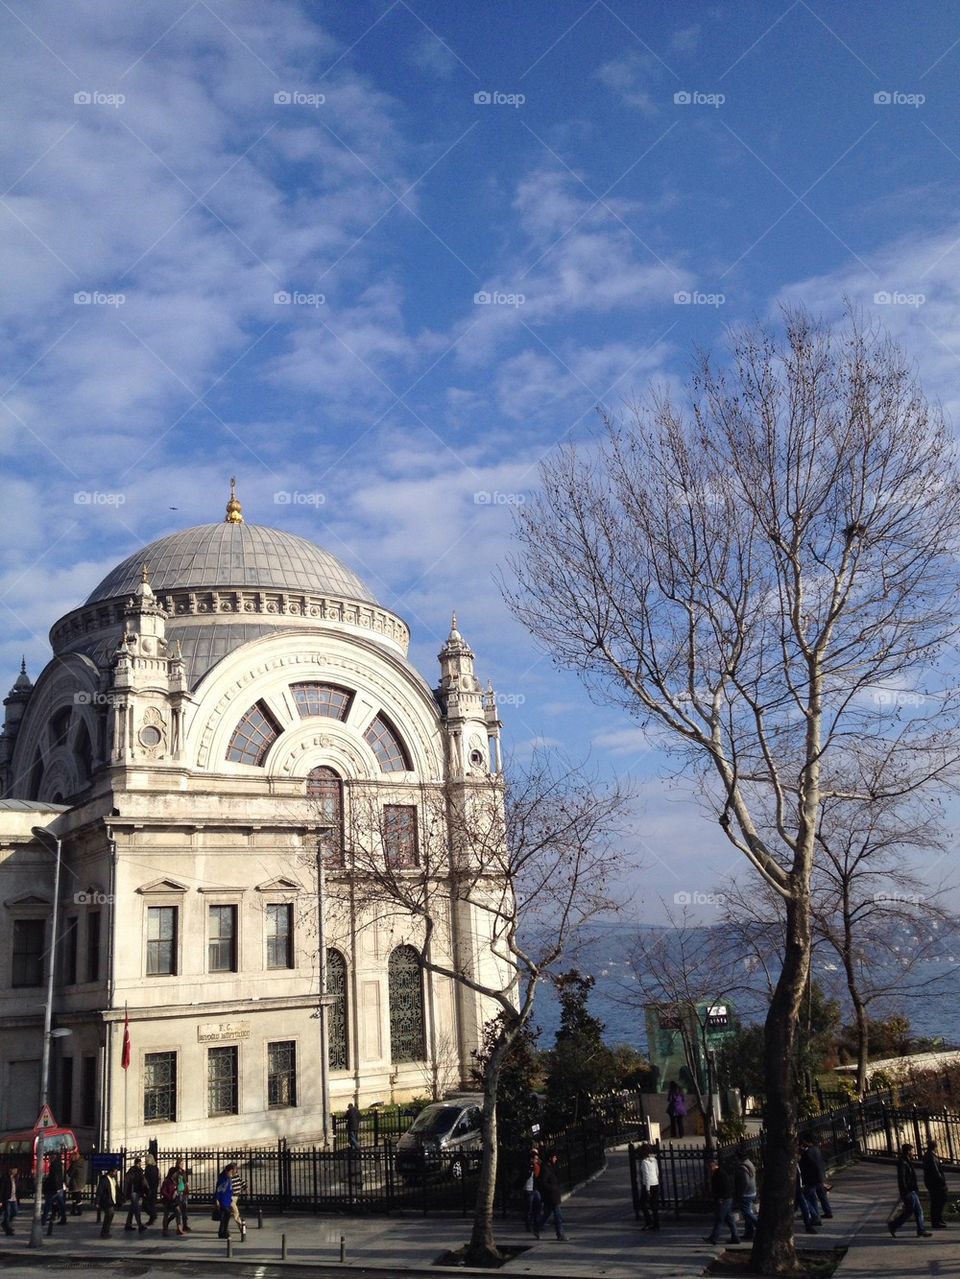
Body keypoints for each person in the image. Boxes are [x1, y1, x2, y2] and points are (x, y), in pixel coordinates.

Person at [889, 1142, 932, 1238]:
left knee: (918, 1211)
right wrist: (906, 1190)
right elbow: (902, 1178)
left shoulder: (906, 1161)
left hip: (911, 1190)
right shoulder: (903, 1163)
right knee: (910, 1211)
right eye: (912, 1151)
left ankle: (921, 1230)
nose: (913, 1153)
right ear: (908, 1151)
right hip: (908, 1191)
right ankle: (893, 1225)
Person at [705, 1156, 741, 1245]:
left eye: (708, 1168)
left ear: (712, 1166)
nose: (708, 1170)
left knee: (719, 1219)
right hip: (727, 1198)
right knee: (729, 1219)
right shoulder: (719, 1173)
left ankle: (714, 1238)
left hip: (724, 1199)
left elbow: (725, 1187)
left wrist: (721, 1197)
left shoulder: (719, 1174)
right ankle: (735, 1237)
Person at [799, 1132, 833, 1219]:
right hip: (820, 1176)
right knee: (822, 1195)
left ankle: (814, 1214)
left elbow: (804, 1166)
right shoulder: (816, 1149)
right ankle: (828, 1211)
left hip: (812, 1179)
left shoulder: (808, 1152)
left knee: (807, 1197)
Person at [537, 1150, 567, 1241]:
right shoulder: (546, 1168)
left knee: (547, 1213)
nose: (556, 1159)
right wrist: (553, 1188)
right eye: (554, 1157)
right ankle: (560, 1234)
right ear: (550, 1158)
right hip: (551, 1196)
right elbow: (543, 1182)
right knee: (558, 1216)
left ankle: (537, 1227)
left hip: (554, 1195)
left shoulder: (552, 1167)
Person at [733, 1146, 758, 1241]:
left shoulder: (742, 1167)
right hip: (752, 1191)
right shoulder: (749, 1163)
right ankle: (749, 1232)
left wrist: (740, 1193)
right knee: (748, 1212)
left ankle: (759, 1225)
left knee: (747, 1213)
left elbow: (745, 1182)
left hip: (746, 1193)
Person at [923, 1138, 948, 1229]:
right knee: (939, 1200)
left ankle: (938, 1219)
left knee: (937, 1201)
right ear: (934, 1147)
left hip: (932, 1183)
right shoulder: (931, 1157)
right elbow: (935, 1171)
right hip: (935, 1183)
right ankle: (936, 1220)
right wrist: (942, 1182)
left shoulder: (930, 1155)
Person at [638, 1142, 660, 1231]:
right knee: (654, 1205)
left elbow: (646, 1176)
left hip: (648, 1185)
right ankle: (656, 1224)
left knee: (642, 1204)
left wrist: (647, 1189)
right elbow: (657, 1171)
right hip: (655, 1183)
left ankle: (649, 1222)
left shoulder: (644, 1162)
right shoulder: (654, 1160)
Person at [122, 1155, 147, 1233]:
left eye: (140, 1163)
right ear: (136, 1163)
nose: (140, 1164)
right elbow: (127, 1181)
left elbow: (143, 1182)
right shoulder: (133, 1171)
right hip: (134, 1192)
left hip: (137, 1191)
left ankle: (128, 1224)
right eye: (139, 1163)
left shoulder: (139, 1171)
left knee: (132, 1209)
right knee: (136, 1209)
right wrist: (125, 1193)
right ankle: (140, 1225)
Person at [41, 1153, 66, 1227]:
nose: (49, 1159)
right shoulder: (59, 1165)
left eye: (50, 1158)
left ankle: (43, 1220)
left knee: (48, 1204)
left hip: (53, 1188)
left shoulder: (54, 1166)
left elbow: (54, 1178)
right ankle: (63, 1218)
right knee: (61, 1204)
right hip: (59, 1187)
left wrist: (51, 1185)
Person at [96, 1166, 119, 1239]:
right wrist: (97, 1202)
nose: (115, 1174)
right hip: (106, 1201)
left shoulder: (113, 1179)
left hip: (111, 1200)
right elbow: (99, 1191)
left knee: (110, 1215)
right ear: (111, 1172)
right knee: (109, 1215)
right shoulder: (104, 1180)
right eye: (114, 1172)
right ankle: (105, 1232)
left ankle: (106, 1231)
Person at [214, 1163, 236, 1239]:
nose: (235, 1172)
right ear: (230, 1170)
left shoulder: (228, 1177)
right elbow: (219, 1190)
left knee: (224, 1216)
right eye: (234, 1170)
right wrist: (216, 1200)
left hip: (227, 1200)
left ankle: (222, 1232)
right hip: (223, 1200)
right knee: (227, 1215)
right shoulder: (223, 1178)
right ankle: (224, 1231)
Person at [522, 1149, 541, 1235]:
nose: (536, 1160)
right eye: (535, 1159)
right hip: (528, 1189)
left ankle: (536, 1224)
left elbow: (537, 1176)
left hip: (535, 1189)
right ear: (531, 1159)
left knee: (537, 1208)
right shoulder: (527, 1166)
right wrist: (531, 1168)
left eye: (537, 1159)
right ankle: (528, 1225)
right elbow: (524, 1176)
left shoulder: (536, 1166)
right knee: (528, 1209)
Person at [160, 1165, 183, 1236]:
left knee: (178, 1211)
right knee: (166, 1214)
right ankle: (165, 1229)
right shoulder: (167, 1181)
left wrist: (177, 1192)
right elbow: (163, 1191)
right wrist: (170, 1196)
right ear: (172, 1173)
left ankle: (179, 1228)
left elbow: (178, 1188)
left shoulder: (176, 1180)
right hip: (167, 1201)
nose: (176, 1174)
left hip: (174, 1201)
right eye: (175, 1173)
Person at [0, 1165, 19, 1235]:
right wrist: (1, 1200)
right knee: (7, 1213)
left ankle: (5, 1223)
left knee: (15, 1212)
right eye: (14, 1170)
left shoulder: (15, 1178)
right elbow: (1, 1189)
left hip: (14, 1198)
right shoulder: (5, 1177)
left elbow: (16, 1188)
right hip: (7, 1198)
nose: (16, 1171)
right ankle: (8, 1230)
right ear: (10, 1170)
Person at [174, 1157, 191, 1232]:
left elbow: (185, 1180)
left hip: (184, 1192)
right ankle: (179, 1226)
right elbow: (173, 1181)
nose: (182, 1165)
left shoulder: (183, 1172)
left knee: (184, 1209)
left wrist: (187, 1184)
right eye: (181, 1163)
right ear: (177, 1164)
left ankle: (185, 1225)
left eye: (183, 1163)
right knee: (178, 1210)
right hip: (178, 1193)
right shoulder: (175, 1172)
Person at [143, 1153, 160, 1225]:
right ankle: (152, 1217)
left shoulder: (148, 1168)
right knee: (152, 1204)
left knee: (145, 1205)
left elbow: (145, 1179)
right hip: (154, 1188)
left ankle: (153, 1216)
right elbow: (158, 1178)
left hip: (149, 1189)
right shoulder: (156, 1168)